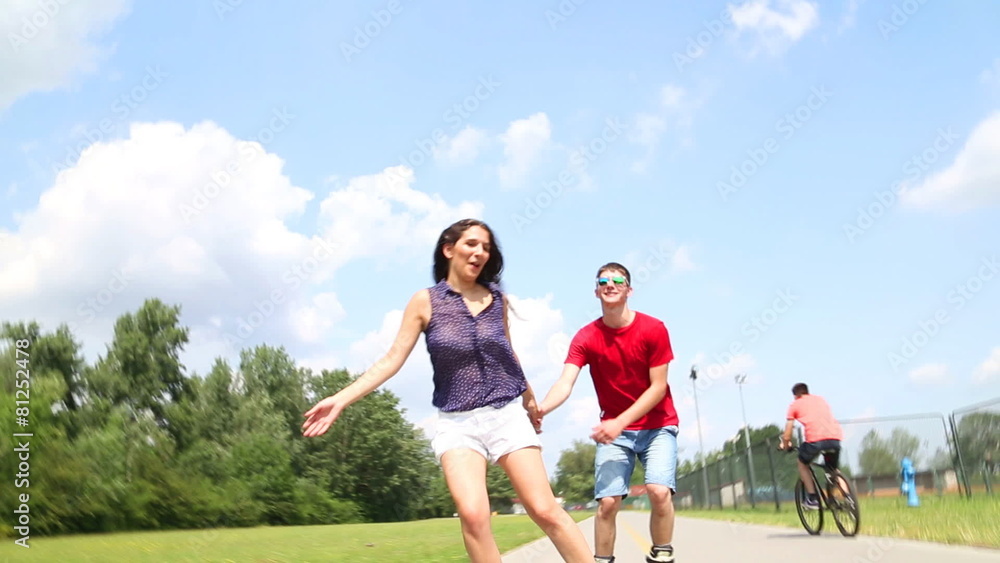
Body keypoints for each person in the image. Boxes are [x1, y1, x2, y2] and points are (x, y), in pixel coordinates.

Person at [301, 218, 593, 563]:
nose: (480, 252)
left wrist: (530, 400)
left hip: (505, 413)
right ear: (448, 249)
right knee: (472, 515)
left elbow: (507, 354)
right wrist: (340, 399)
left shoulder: (497, 300)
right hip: (457, 422)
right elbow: (392, 359)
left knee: (544, 509)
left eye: (486, 247)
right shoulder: (425, 302)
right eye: (471, 244)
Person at [537, 262, 679, 563]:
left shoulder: (653, 329)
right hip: (615, 433)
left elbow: (657, 388)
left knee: (658, 490)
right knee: (608, 503)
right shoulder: (587, 337)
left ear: (629, 290)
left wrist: (619, 422)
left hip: (658, 426)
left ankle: (662, 554)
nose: (610, 284)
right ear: (596, 290)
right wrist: (542, 408)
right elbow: (565, 381)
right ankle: (603, 560)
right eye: (604, 280)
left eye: (618, 280)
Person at [778, 382, 844, 509]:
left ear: (796, 395)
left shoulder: (795, 405)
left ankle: (813, 499)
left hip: (815, 441)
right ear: (807, 391)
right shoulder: (820, 400)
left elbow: (787, 434)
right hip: (835, 438)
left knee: (802, 464)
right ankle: (847, 496)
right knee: (833, 470)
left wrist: (785, 445)